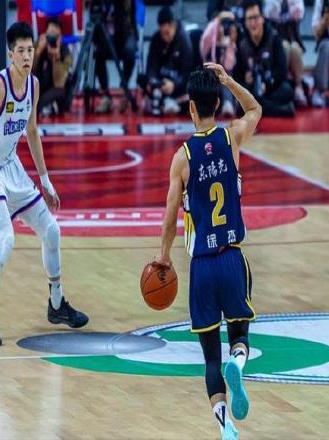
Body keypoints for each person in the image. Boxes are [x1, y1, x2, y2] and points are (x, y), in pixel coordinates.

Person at [0, 22, 88, 346]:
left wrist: (45, 180)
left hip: (12, 167)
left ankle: (56, 304)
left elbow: (31, 131)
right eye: (21, 51)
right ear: (10, 54)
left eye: (30, 50)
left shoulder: (33, 85)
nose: (27, 56)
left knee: (52, 231)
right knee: (5, 239)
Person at [155, 65, 260, 439]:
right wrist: (229, 81)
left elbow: (170, 217)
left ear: (190, 107)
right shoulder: (232, 137)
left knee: (210, 358)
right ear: (217, 103)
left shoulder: (182, 158)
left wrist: (164, 256)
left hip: (201, 267)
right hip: (232, 258)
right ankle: (239, 364)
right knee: (239, 336)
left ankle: (225, 426)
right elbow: (255, 109)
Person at [234, 0, 295, 116]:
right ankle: (281, 110)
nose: (253, 22)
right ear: (245, 22)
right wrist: (246, 80)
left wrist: (267, 84)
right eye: (249, 19)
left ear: (262, 18)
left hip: (270, 87)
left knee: (287, 91)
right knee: (240, 104)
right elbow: (237, 76)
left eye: (256, 17)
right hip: (252, 88)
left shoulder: (274, 38)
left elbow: (281, 71)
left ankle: (257, 109)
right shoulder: (242, 43)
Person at [139, 6, 193, 115]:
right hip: (160, 82)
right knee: (141, 78)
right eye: (162, 33)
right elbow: (151, 66)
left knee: (191, 88)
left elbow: (187, 73)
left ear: (173, 25)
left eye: (167, 33)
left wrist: (174, 85)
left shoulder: (184, 42)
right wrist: (152, 81)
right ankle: (162, 101)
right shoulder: (156, 39)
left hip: (176, 83)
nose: (164, 37)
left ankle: (170, 103)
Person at [93, 0, 138, 114]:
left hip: (124, 34)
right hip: (105, 37)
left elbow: (127, 23)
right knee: (96, 53)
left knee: (130, 53)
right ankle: (105, 95)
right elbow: (95, 15)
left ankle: (124, 89)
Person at [263, 0, 307, 106]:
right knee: (284, 47)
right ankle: (282, 84)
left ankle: (298, 86)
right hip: (274, 39)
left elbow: (299, 14)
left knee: (295, 48)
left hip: (291, 36)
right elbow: (269, 13)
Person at [200, 11, 239, 116]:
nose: (220, 29)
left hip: (223, 77)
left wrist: (231, 43)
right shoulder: (207, 43)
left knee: (227, 79)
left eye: (221, 26)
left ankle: (228, 104)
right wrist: (218, 19)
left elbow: (229, 66)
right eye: (218, 26)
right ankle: (206, 106)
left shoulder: (228, 42)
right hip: (209, 77)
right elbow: (207, 36)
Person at [33, 19, 73, 116]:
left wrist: (56, 58)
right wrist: (38, 52)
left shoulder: (65, 53)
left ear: (60, 38)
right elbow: (27, 72)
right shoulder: (38, 46)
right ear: (44, 35)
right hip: (42, 87)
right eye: (50, 35)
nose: (52, 39)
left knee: (59, 91)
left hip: (58, 92)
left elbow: (59, 84)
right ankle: (42, 106)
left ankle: (40, 106)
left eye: (56, 36)